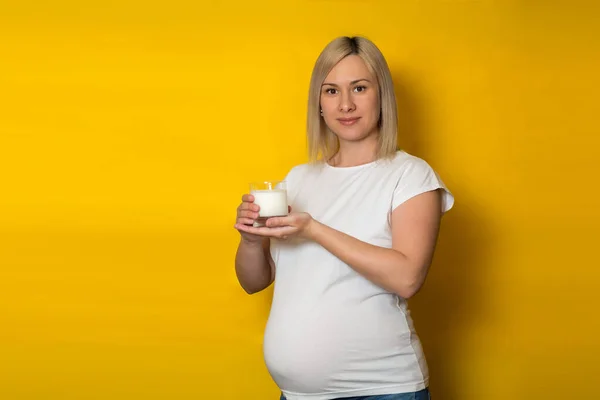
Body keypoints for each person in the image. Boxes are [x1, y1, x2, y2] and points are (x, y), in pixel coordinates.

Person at [234, 36, 454, 400]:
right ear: (318, 103)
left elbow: (407, 278)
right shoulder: (299, 179)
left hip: (383, 390)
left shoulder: (410, 174)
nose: (346, 104)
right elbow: (254, 283)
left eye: (360, 88)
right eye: (331, 91)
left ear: (381, 95)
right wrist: (251, 242)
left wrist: (314, 228)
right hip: (299, 395)